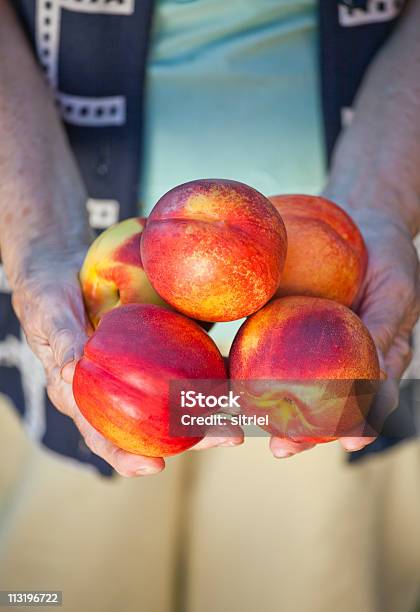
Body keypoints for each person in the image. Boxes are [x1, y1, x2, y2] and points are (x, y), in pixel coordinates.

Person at [0, 1, 419, 611]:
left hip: (355, 280)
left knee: (314, 578)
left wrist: (385, 199)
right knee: (71, 581)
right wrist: (34, 233)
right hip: (73, 281)